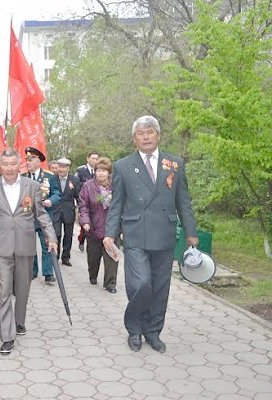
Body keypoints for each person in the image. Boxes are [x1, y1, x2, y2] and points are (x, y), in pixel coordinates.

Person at [104, 116, 198, 354]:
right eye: (141, 133)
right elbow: (116, 203)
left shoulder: (174, 163)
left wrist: (191, 233)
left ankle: (153, 331)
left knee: (160, 287)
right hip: (136, 234)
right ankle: (134, 328)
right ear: (134, 138)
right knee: (141, 283)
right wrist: (110, 234)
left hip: (164, 233)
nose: (146, 137)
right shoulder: (124, 165)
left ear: (158, 135)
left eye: (150, 132)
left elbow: (183, 201)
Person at [0, 149, 57, 355]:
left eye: (13, 164)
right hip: (1, 247)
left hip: (25, 246)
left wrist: (51, 236)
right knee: (3, 293)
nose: (9, 168)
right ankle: (7, 336)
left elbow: (42, 214)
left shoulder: (32, 186)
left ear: (20, 165)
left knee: (22, 289)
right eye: (5, 164)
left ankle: (19, 321)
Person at [78, 157, 118, 293]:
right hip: (94, 227)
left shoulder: (116, 185)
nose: (101, 173)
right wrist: (85, 222)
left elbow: (122, 205)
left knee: (112, 257)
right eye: (98, 170)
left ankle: (110, 283)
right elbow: (83, 206)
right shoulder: (88, 186)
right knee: (93, 257)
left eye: (104, 171)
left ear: (109, 172)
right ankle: (93, 274)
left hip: (112, 228)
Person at [23, 147, 61, 284]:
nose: (27, 162)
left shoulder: (49, 176)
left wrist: (51, 201)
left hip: (45, 216)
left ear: (39, 160)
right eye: (26, 159)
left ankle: (48, 273)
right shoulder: (22, 177)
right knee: (29, 245)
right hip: (28, 218)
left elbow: (57, 193)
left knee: (47, 245)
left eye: (31, 159)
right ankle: (32, 271)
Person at [51, 158, 80, 266]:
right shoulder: (52, 179)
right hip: (55, 211)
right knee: (56, 234)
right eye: (60, 166)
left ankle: (66, 257)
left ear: (68, 168)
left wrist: (80, 210)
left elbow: (78, 196)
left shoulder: (75, 180)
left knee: (68, 235)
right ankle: (55, 256)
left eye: (64, 167)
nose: (62, 169)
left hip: (69, 211)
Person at [75, 152, 99, 252]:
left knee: (94, 222)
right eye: (93, 158)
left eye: (97, 159)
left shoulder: (99, 171)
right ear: (88, 159)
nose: (95, 161)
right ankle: (81, 240)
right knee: (84, 223)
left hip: (96, 201)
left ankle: (90, 241)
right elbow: (77, 185)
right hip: (84, 200)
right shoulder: (81, 170)